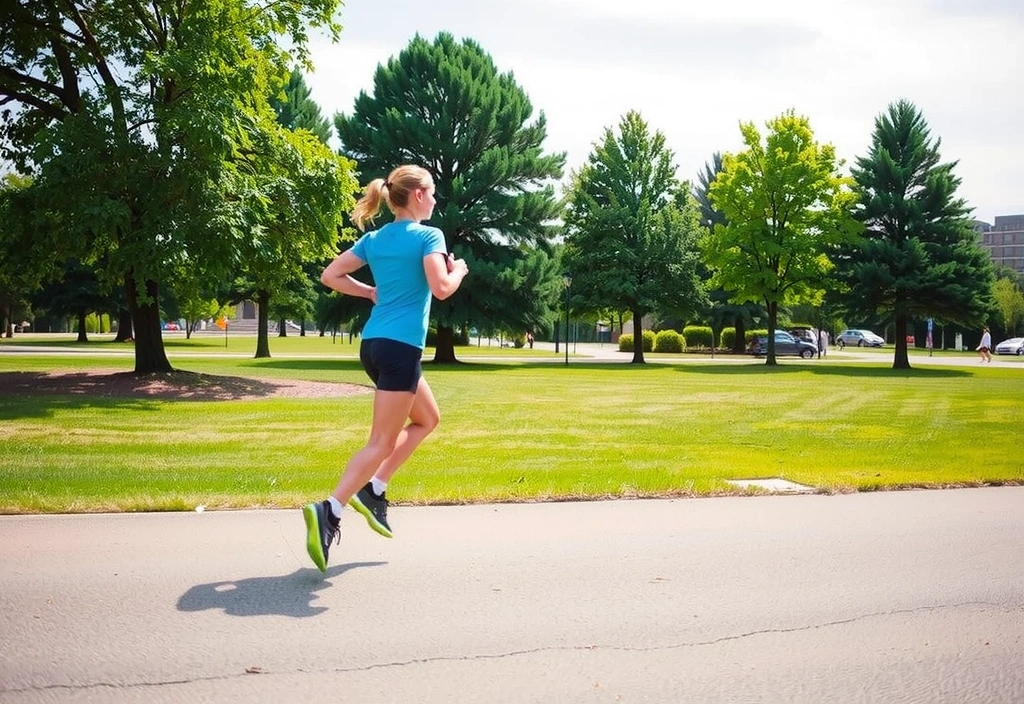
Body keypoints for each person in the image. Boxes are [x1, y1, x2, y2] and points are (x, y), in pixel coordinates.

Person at [303, 165, 469, 572]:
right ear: (416, 196)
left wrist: (370, 292)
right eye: (431, 192)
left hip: (375, 346)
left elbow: (331, 275)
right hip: (400, 349)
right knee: (381, 440)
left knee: (428, 419)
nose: (434, 200)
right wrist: (458, 269)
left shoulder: (375, 239)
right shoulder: (430, 236)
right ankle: (331, 508)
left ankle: (375, 490)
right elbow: (441, 288)